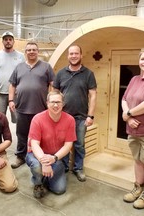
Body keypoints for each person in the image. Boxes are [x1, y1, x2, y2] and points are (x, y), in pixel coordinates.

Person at [53, 44, 97, 182]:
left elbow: (93, 95)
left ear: (81, 55)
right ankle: (64, 166)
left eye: (76, 53)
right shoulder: (60, 73)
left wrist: (90, 116)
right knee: (63, 143)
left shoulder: (88, 74)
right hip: (63, 117)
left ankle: (78, 168)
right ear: (68, 56)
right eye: (71, 53)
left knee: (79, 144)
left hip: (81, 118)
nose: (73, 56)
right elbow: (54, 93)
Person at [9, 41, 54, 169]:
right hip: (22, 108)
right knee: (21, 134)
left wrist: (51, 100)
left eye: (34, 49)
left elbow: (53, 84)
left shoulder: (46, 66)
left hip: (40, 109)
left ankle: (40, 156)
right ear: (25, 52)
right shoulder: (19, 67)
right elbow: (12, 85)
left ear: (38, 51)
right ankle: (20, 156)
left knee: (41, 135)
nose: (31, 52)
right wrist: (11, 100)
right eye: (28, 50)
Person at [121, 48, 144, 209]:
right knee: (137, 160)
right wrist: (128, 116)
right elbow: (124, 99)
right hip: (133, 130)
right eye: (142, 59)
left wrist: (128, 114)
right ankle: (138, 187)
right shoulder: (134, 79)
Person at [26, 90, 76, 198]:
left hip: (55, 157)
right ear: (47, 103)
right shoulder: (37, 119)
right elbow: (34, 144)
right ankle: (38, 182)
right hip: (37, 155)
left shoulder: (70, 120)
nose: (55, 105)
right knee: (36, 166)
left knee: (59, 190)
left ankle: (47, 176)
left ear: (63, 104)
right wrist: (44, 162)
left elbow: (68, 145)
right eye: (52, 102)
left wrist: (54, 158)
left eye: (58, 102)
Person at [0, 31, 25, 123]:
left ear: (13, 41)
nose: (8, 41)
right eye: (6, 39)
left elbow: (24, 73)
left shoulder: (21, 56)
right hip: (0, 93)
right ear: (2, 41)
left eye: (10, 39)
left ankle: (20, 137)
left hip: (16, 94)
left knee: (18, 119)